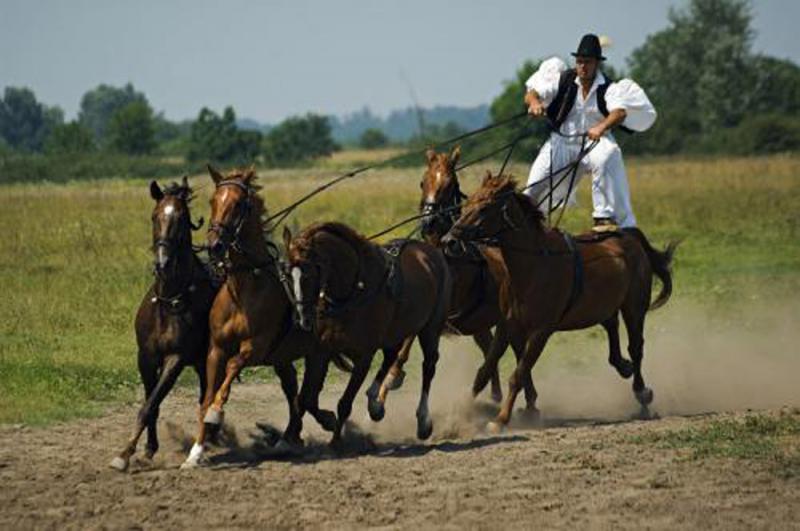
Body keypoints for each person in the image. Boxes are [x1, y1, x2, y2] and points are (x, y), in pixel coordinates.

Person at [523, 33, 656, 230]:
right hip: (561, 142)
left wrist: (601, 127)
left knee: (607, 154)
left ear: (597, 64)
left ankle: (603, 217)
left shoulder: (608, 88)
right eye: (579, 61)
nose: (582, 66)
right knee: (532, 188)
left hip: (594, 142)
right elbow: (532, 92)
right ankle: (525, 223)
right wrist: (534, 103)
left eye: (587, 62)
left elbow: (619, 113)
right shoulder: (564, 80)